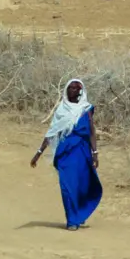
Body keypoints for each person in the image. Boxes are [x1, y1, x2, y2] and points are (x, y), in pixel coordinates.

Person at [30, 78, 103, 231]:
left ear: (81, 91)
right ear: (66, 90)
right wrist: (38, 153)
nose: (74, 91)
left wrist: (95, 153)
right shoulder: (61, 110)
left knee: (82, 185)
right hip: (65, 153)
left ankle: (79, 213)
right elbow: (52, 132)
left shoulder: (86, 109)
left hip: (82, 152)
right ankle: (72, 220)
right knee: (67, 186)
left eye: (77, 88)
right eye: (71, 88)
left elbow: (91, 132)